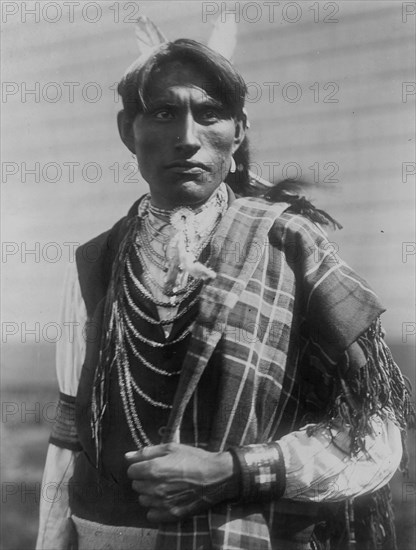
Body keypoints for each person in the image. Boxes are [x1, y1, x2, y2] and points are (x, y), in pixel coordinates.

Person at [36, 26, 413, 550]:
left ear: (238, 132)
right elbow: (68, 437)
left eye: (209, 114)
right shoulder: (95, 261)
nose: (187, 137)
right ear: (128, 130)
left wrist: (232, 471)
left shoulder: (290, 245)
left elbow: (375, 439)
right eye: (163, 112)